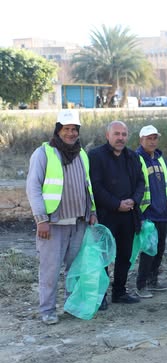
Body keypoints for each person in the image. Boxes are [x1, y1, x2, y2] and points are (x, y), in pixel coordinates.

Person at [26, 110, 97, 324]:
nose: (71, 133)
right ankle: (47, 310)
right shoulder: (44, 153)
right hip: (53, 224)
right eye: (66, 129)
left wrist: (92, 211)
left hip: (78, 222)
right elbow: (33, 187)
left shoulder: (82, 154)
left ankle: (71, 305)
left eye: (74, 129)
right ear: (58, 130)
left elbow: (87, 187)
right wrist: (41, 220)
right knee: (50, 270)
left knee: (75, 269)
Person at [89, 120, 145, 306]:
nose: (120, 138)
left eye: (123, 134)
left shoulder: (132, 156)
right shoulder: (96, 156)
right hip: (106, 215)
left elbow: (140, 183)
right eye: (116, 134)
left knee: (125, 255)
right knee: (103, 256)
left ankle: (119, 292)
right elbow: (95, 186)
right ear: (107, 135)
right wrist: (116, 204)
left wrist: (134, 201)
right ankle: (101, 296)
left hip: (129, 215)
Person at [134, 125, 167, 298]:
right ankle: (141, 284)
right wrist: (141, 216)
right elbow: (135, 188)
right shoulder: (137, 159)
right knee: (148, 251)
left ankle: (153, 281)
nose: (152, 142)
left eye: (154, 138)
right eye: (149, 138)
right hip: (148, 215)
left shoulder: (160, 159)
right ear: (141, 140)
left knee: (159, 249)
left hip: (162, 214)